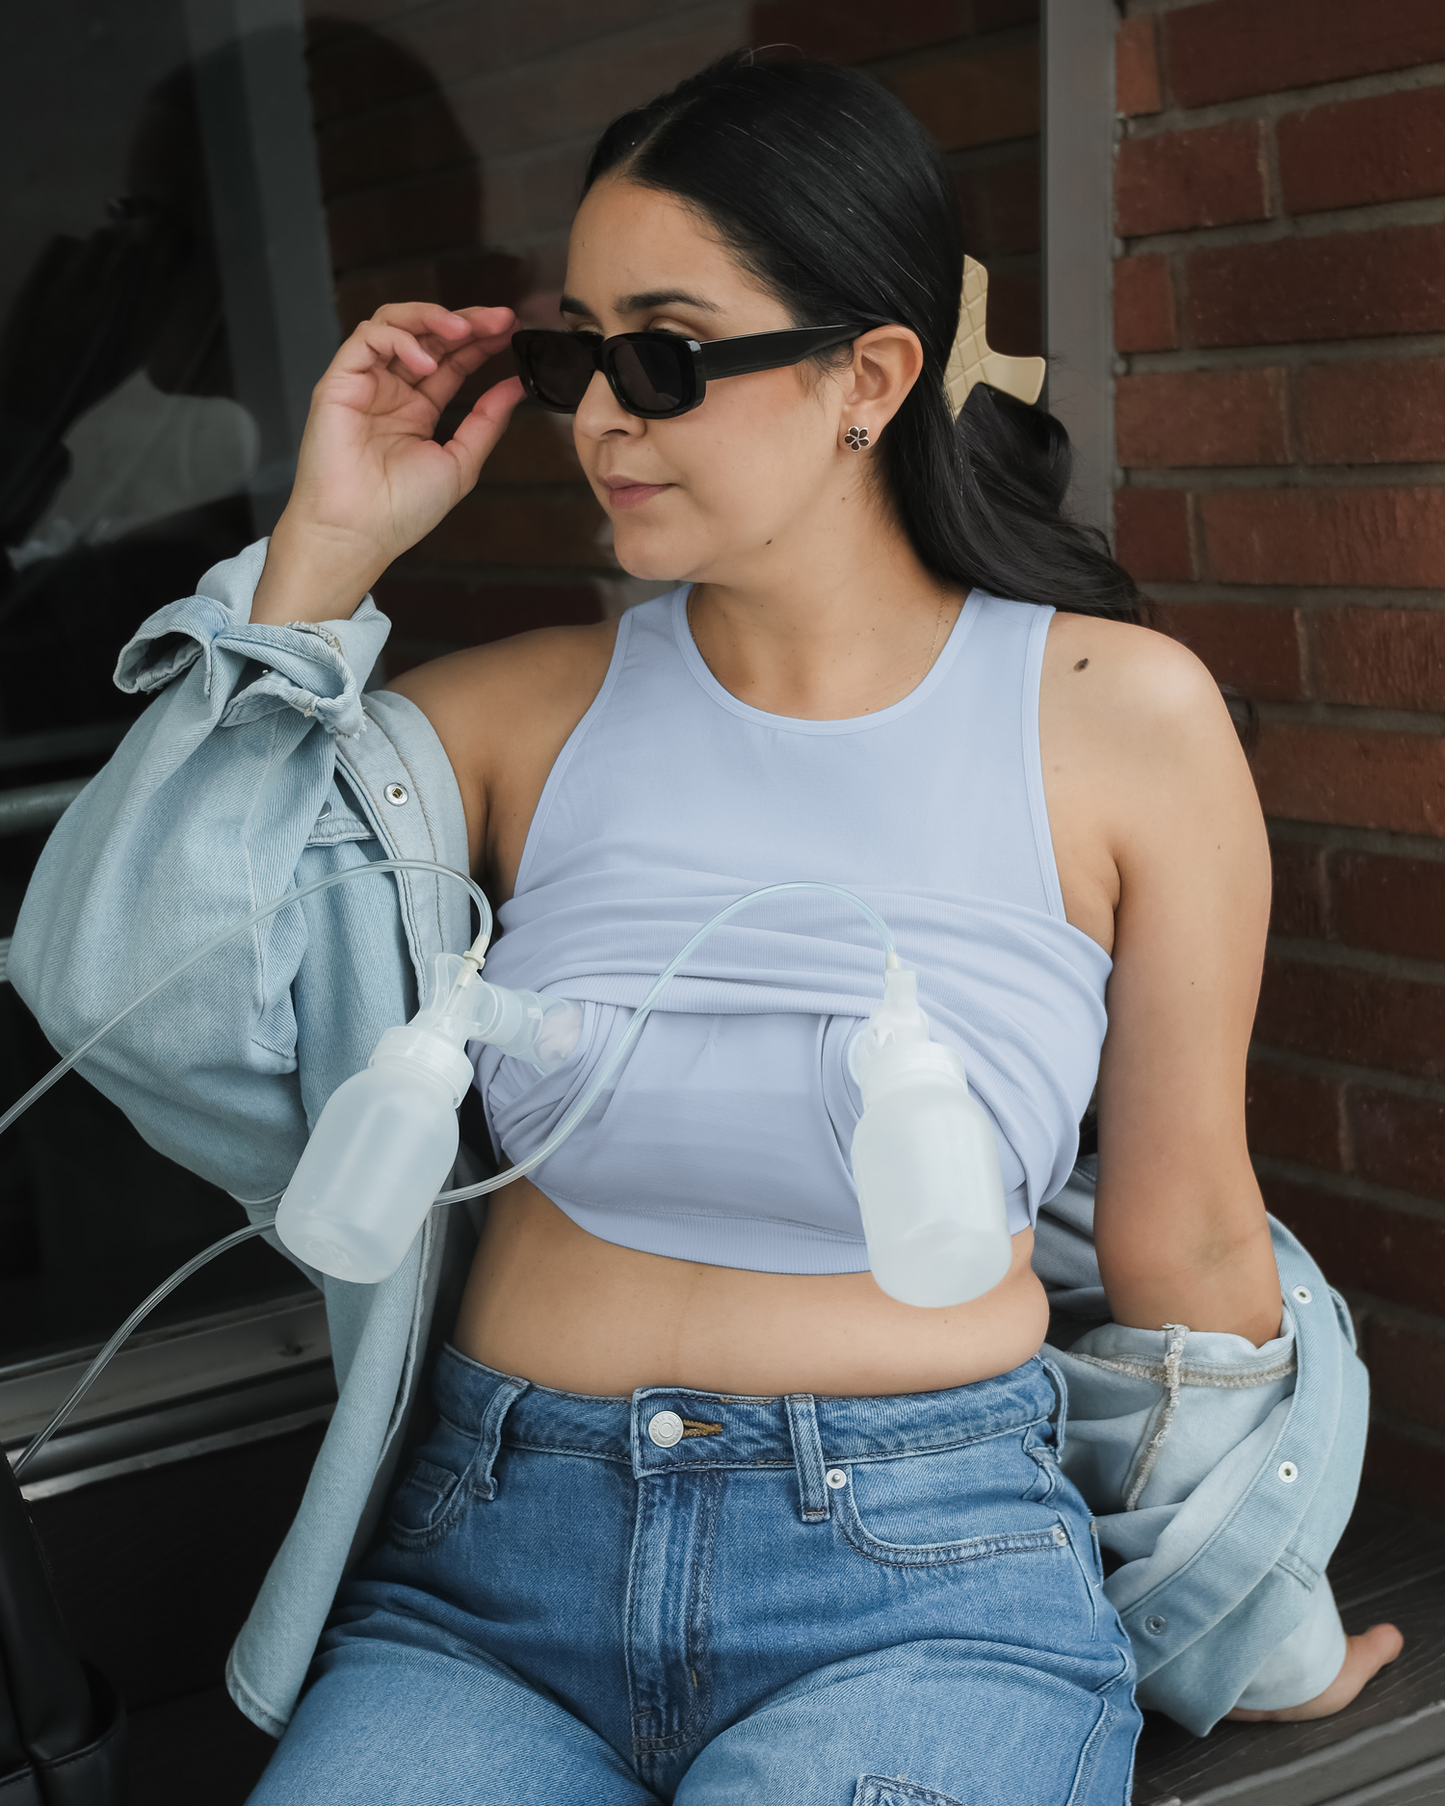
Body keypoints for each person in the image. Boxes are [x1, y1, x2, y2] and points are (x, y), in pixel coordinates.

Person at [10, 51, 1399, 1806]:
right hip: (487, 1576)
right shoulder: (512, 718)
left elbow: (1191, 1238)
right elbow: (116, 988)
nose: (602, 417)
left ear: (867, 377)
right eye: (577, 355)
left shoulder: (1120, 718)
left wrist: (1241, 1612)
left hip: (924, 1580)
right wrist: (317, 566)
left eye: (665, 355)